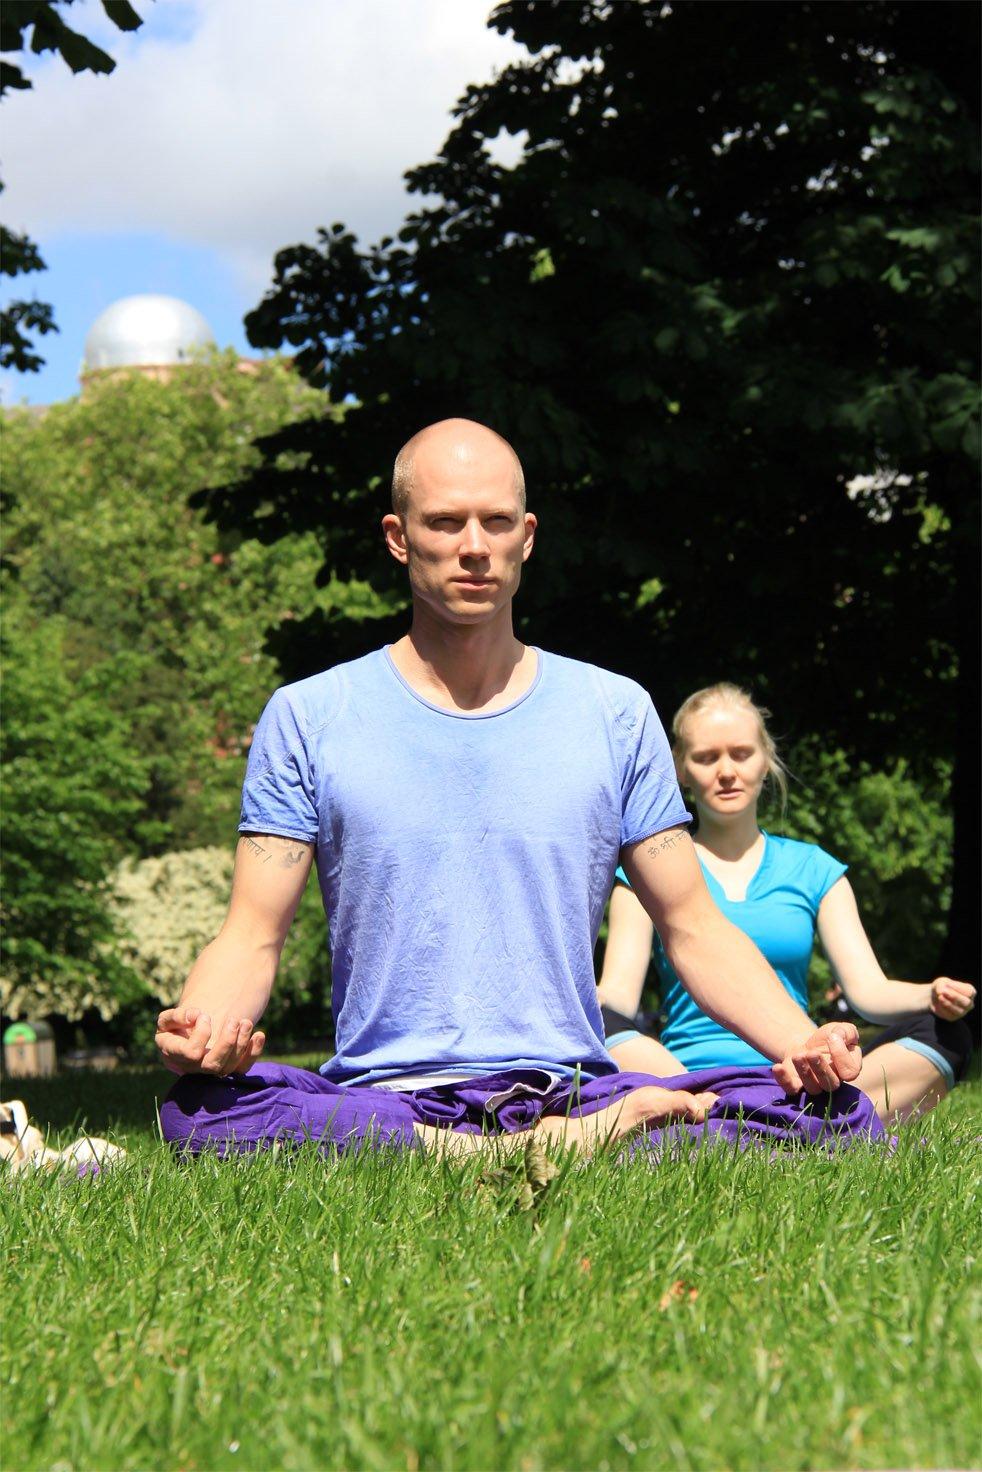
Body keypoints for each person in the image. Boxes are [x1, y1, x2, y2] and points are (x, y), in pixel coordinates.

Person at [157, 421, 871, 1161]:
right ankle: (524, 1152)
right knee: (200, 1112)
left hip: (568, 1084)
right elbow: (253, 933)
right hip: (389, 1094)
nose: (474, 545)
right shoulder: (308, 715)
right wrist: (204, 1029)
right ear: (398, 537)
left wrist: (804, 1042)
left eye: (495, 522)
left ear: (526, 537)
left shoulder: (614, 711)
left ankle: (515, 1144)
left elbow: (692, 925)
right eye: (444, 522)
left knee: (840, 1113)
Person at [597, 682, 975, 1126]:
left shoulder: (815, 870)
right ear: (680, 768)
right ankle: (782, 1121)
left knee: (947, 1035)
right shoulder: (645, 872)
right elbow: (617, 997)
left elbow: (868, 991)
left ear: (765, 761)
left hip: (804, 1078)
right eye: (705, 757)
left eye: (741, 754)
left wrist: (930, 994)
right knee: (597, 1026)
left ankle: (732, 1121)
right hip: (683, 1075)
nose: (726, 771)